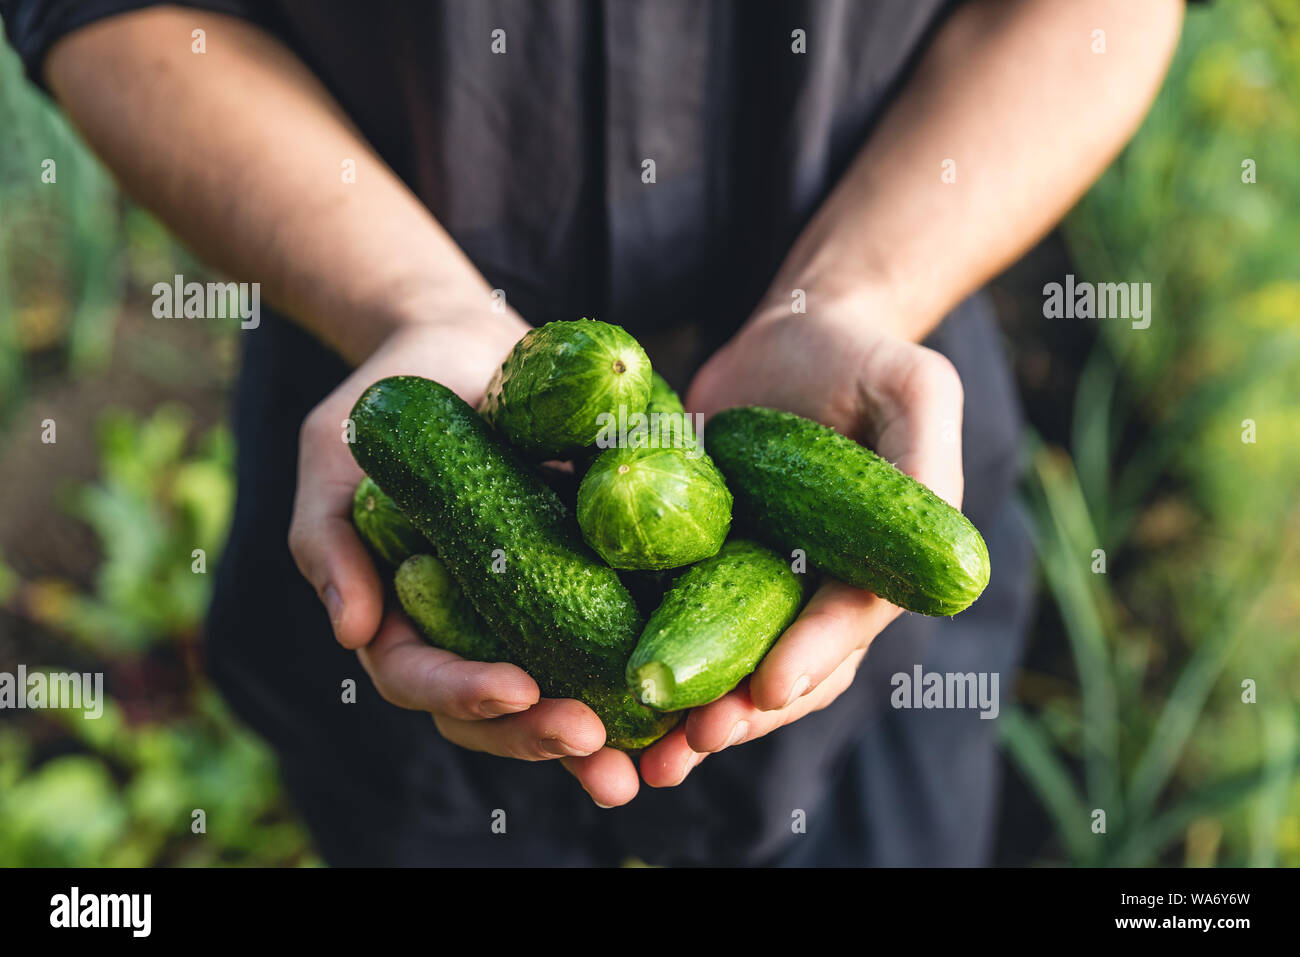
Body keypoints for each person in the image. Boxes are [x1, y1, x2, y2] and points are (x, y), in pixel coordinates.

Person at [1, 0, 1187, 866]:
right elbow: (114, 15)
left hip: (860, 371)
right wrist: (411, 305)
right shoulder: (423, 437)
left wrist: (855, 298)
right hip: (373, 342)